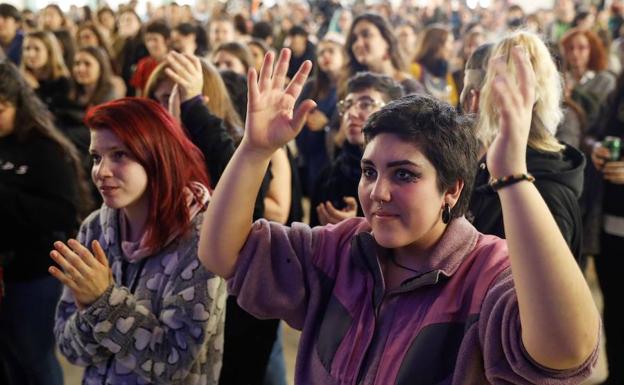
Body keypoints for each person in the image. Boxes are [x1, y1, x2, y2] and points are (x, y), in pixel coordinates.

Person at [198, 47, 599, 384]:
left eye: (404, 174)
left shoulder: (486, 273)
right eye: (370, 172)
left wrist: (511, 174)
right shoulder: (341, 247)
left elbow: (569, 352)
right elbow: (222, 255)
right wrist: (254, 150)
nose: (378, 192)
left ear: (452, 189)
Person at [52, 97, 227, 385]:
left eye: (119, 155)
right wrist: (96, 309)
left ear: (156, 156)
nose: (101, 171)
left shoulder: (200, 242)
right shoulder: (94, 228)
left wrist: (103, 302)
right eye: (96, 157)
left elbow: (173, 365)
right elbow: (70, 349)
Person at [0, 60, 89, 385]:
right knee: (9, 358)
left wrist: (5, 197)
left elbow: (64, 213)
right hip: (4, 271)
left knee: (34, 358)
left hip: (34, 275)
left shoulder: (45, 149)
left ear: (19, 104)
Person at [470, 32, 585, 262]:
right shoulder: (490, 166)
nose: (469, 99)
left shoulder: (543, 191)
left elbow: (547, 294)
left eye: (476, 89)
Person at [309, 72, 404, 226]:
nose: (351, 114)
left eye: (365, 104)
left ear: (392, 111)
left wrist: (359, 228)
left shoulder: (404, 175)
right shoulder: (327, 178)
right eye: (347, 106)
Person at [587, 72, 624, 385]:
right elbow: (592, 133)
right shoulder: (616, 94)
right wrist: (596, 147)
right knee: (613, 307)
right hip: (609, 227)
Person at [345, 13, 424, 95]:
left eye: (366, 35)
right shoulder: (353, 86)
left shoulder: (408, 88)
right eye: (354, 39)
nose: (358, 44)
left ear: (386, 41)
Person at [410, 24, 459, 106]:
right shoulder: (416, 69)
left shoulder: (445, 70)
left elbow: (453, 100)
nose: (452, 47)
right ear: (438, 45)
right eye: (450, 42)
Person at [131, 20, 170, 96]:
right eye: (148, 40)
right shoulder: (143, 64)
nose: (151, 44)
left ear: (167, 41)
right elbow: (139, 94)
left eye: (155, 39)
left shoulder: (175, 63)